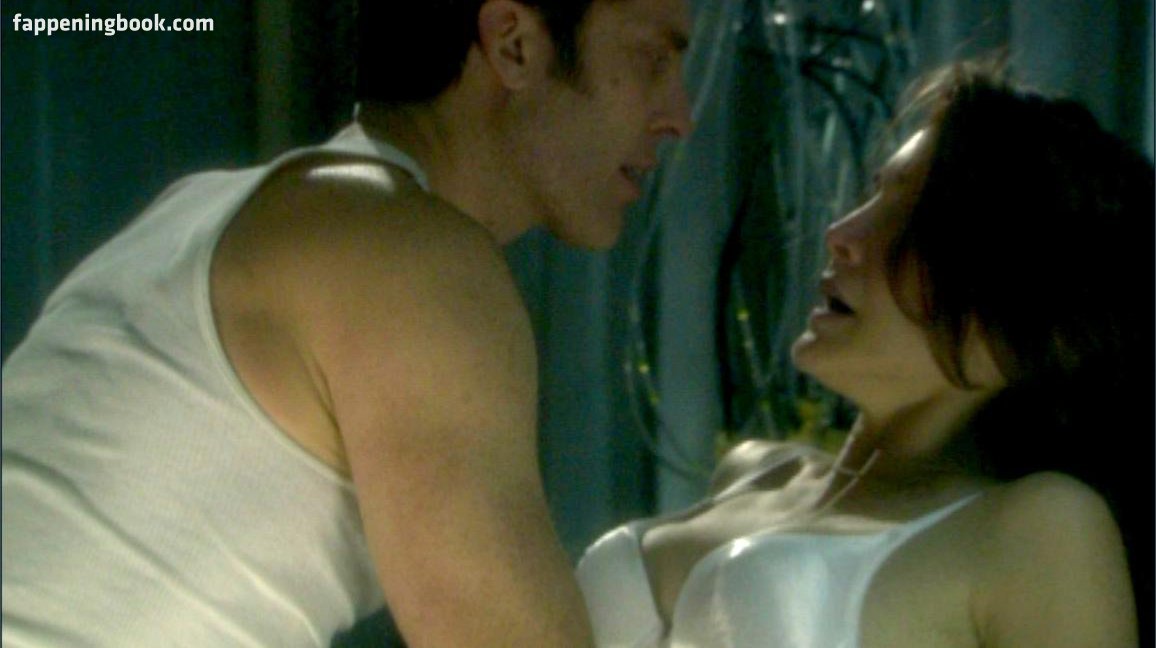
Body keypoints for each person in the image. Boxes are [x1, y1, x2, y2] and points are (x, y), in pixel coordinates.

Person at [2, 0, 693, 645]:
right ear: (513, 45)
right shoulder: (406, 254)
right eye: (652, 60)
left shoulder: (208, 209)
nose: (679, 116)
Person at [577, 58, 1153, 647]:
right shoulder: (753, 471)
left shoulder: (1042, 525)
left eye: (914, 224)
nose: (842, 235)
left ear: (1028, 323)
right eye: (875, 194)